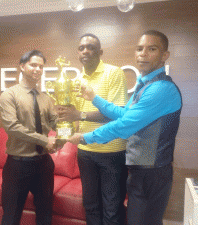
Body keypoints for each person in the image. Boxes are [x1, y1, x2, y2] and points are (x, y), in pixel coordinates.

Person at [68, 30, 183, 225]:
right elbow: (123, 114)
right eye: (139, 49)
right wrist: (94, 98)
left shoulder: (160, 89)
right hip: (140, 169)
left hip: (153, 172)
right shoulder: (144, 85)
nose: (143, 54)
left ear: (165, 56)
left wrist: (85, 137)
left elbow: (125, 126)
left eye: (151, 49)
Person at [57, 33, 128, 225]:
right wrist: (62, 134)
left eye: (90, 47)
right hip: (86, 152)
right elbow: (74, 116)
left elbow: (118, 113)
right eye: (81, 48)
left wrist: (78, 115)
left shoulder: (114, 73)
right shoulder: (78, 79)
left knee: (112, 207)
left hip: (111, 152)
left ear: (100, 52)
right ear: (78, 53)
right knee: (90, 204)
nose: (85, 51)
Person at [0, 50, 58, 225]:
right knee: (11, 215)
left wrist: (68, 125)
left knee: (45, 213)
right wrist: (44, 140)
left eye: (41, 66)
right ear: (22, 66)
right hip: (18, 166)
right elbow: (12, 127)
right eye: (33, 65)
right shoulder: (9, 95)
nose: (37, 69)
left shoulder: (46, 98)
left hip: (44, 164)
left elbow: (55, 123)